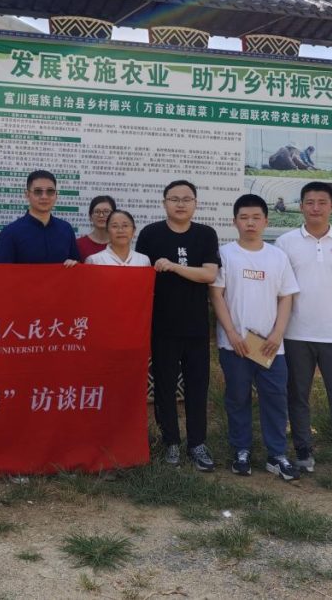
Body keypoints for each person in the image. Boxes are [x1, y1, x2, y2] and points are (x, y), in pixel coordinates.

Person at [275, 181, 332, 484]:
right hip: (295, 333)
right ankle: (303, 450)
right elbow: (280, 287)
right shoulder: (285, 243)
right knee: (297, 395)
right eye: (310, 202)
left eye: (322, 202)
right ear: (301, 206)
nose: (315, 208)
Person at [210, 194, 301, 481]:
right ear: (234, 221)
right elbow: (217, 296)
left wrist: (277, 333)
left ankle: (277, 455)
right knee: (237, 398)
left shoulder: (277, 256)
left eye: (256, 218)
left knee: (274, 398)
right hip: (235, 344)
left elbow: (286, 297)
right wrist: (232, 333)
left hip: (270, 346)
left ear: (266, 221)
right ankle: (241, 451)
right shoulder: (225, 254)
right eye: (244, 218)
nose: (250, 223)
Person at [135, 181, 220, 471]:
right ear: (164, 203)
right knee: (164, 387)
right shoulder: (150, 234)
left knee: (198, 387)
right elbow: (140, 277)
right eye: (174, 199)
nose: (180, 204)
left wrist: (173, 266)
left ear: (195, 203)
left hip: (196, 327)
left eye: (187, 199)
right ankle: (170, 440)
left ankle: (197, 443)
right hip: (162, 326)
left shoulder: (206, 234)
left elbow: (209, 275)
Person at [0, 170, 81, 267]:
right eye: (38, 191)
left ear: (56, 195)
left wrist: (73, 264)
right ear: (27, 195)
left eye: (50, 191)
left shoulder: (66, 229)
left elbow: (76, 262)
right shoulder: (10, 233)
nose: (44, 197)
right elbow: (2, 272)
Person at [77, 196, 117, 261]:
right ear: (90, 216)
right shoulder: (79, 244)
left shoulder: (119, 244)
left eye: (106, 211)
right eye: (97, 211)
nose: (101, 215)